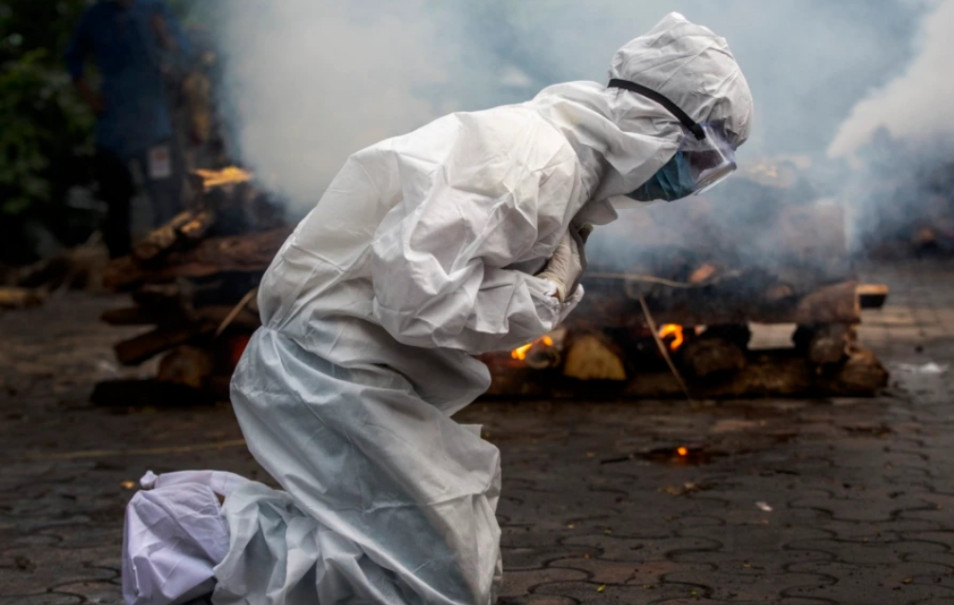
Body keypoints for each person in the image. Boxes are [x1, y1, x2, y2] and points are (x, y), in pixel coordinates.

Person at [121, 12, 753, 605]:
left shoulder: (564, 166)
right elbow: (414, 302)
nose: (692, 180)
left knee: (431, 557)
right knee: (435, 575)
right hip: (326, 365)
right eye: (699, 158)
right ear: (659, 123)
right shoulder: (532, 162)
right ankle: (185, 531)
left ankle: (204, 536)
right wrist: (545, 295)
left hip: (352, 364)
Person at [65, 0, 190, 258]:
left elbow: (184, 54)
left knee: (165, 195)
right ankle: (120, 264)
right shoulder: (95, 16)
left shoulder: (154, 9)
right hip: (114, 125)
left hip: (154, 124)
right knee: (115, 199)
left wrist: (163, 34)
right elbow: (73, 59)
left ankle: (168, 258)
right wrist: (90, 98)